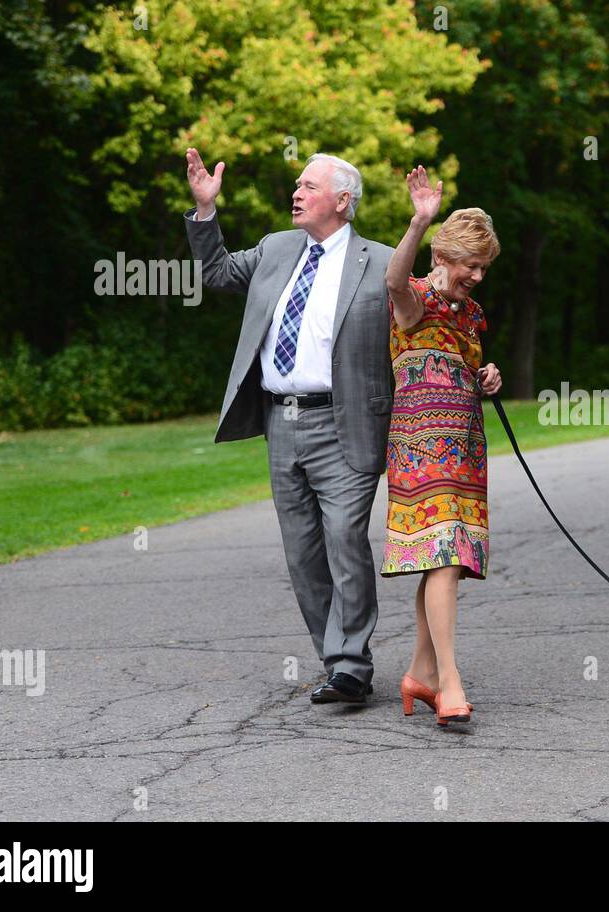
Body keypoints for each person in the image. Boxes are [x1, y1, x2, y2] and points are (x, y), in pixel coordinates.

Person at [183, 148, 395, 704]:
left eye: (308, 186)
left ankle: (352, 665)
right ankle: (337, 660)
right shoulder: (278, 248)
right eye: (297, 185)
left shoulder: (383, 261)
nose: (295, 193)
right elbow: (217, 272)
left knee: (345, 538)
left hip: (346, 422)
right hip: (282, 423)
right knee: (302, 551)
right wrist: (205, 211)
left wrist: (478, 367)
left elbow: (426, 323)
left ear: (343, 202)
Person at [382, 165, 502, 726]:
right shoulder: (415, 300)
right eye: (469, 266)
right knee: (445, 553)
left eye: (483, 267)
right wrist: (419, 222)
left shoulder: (471, 313)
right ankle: (449, 681)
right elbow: (392, 281)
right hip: (421, 448)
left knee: (444, 564)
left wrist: (486, 376)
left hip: (466, 449)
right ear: (441, 259)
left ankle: (420, 673)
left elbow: (461, 364)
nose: (477, 276)